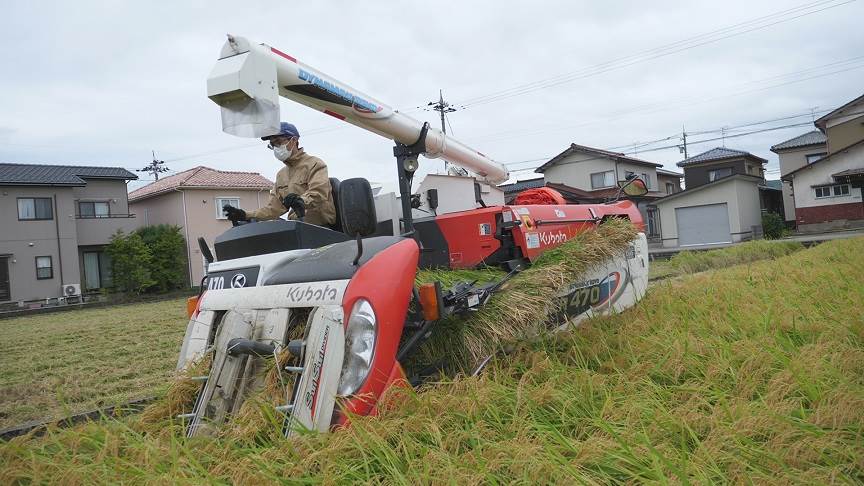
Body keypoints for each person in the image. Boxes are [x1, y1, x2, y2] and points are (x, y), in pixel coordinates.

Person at [222, 122, 337, 227]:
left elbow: (319, 193)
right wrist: (245, 215)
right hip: (297, 228)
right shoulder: (281, 175)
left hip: (322, 229)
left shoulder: (315, 164)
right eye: (272, 145)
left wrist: (301, 201)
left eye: (278, 142)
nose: (276, 148)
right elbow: (273, 209)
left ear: (294, 140)